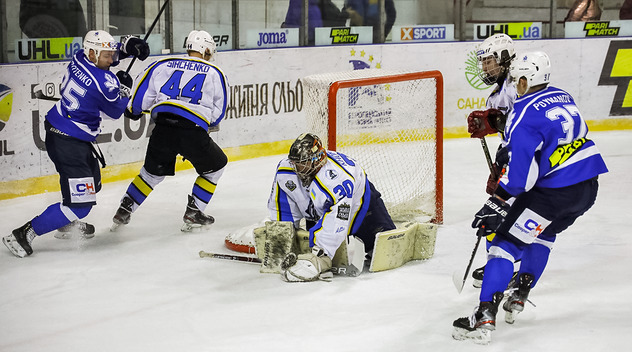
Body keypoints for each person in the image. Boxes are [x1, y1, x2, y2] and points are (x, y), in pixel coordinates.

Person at [452, 51, 608, 344]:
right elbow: (546, 134)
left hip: (553, 193)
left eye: (516, 79)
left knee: (504, 245)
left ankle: (484, 316)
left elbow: (522, 179)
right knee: (544, 233)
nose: (514, 83)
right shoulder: (562, 95)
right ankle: (520, 296)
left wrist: (497, 201)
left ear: (524, 81)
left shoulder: (521, 116)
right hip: (587, 187)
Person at [2, 30, 149, 257]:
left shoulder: (80, 57)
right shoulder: (103, 83)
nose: (111, 60)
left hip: (63, 133)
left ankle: (63, 220)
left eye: (111, 54)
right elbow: (116, 111)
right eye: (107, 56)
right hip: (69, 143)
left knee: (92, 185)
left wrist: (127, 47)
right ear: (92, 52)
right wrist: (124, 90)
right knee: (81, 205)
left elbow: (108, 58)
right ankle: (24, 234)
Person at [111, 30, 229, 233]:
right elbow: (218, 112)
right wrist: (204, 125)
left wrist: (133, 110)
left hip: (163, 128)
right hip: (192, 130)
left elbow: (141, 94)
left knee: (150, 174)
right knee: (216, 167)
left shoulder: (162, 64)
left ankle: (125, 208)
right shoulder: (214, 72)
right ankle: (194, 211)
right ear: (206, 50)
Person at [269, 133, 396, 282]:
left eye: (302, 163)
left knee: (384, 248)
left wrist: (322, 255)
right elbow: (282, 206)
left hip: (361, 203)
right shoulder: (286, 171)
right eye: (295, 163)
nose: (298, 168)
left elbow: (338, 217)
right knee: (311, 239)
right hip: (318, 209)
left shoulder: (336, 179)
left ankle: (378, 233)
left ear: (316, 160)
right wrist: (281, 240)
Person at [466, 33, 517, 288]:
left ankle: (506, 262)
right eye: (483, 62)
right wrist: (488, 123)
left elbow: (525, 123)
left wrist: (496, 121)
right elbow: (505, 126)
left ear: (504, 58)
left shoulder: (518, 83)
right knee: (500, 206)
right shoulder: (497, 93)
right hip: (510, 152)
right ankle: (500, 260)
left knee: (501, 207)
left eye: (489, 61)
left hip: (525, 156)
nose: (485, 67)